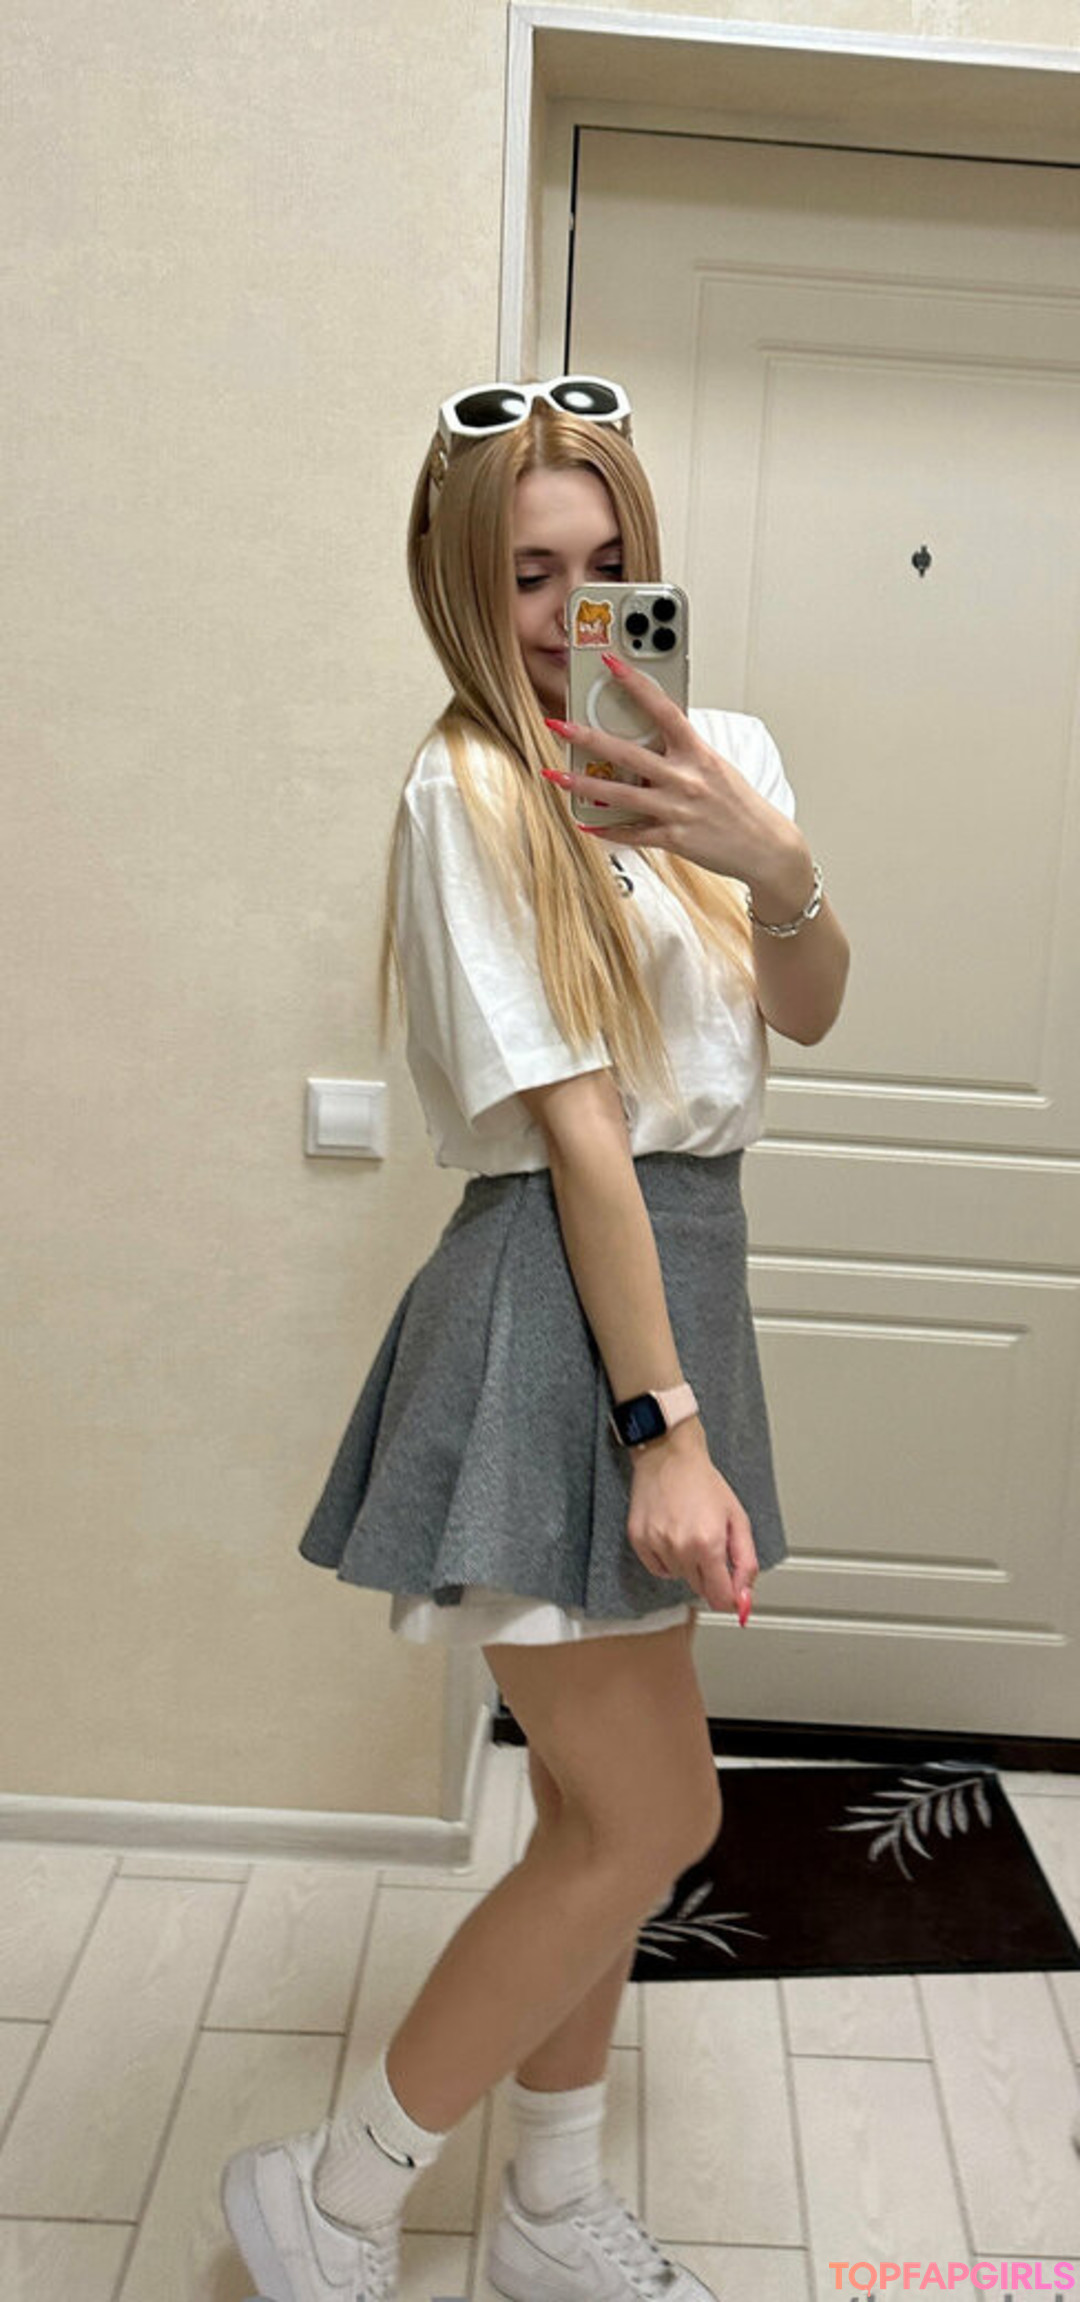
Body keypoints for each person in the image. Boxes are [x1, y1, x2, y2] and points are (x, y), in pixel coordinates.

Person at [220, 374, 851, 2301]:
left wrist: (771, 861)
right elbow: (580, 1132)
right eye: (528, 575)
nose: (578, 610)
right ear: (458, 587)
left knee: (598, 1812)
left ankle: (548, 2209)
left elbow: (811, 1009)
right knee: (663, 1811)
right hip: (555, 1302)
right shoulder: (468, 789)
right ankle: (333, 2197)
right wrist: (667, 1427)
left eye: (610, 561)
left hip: (682, 1273)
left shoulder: (721, 752)